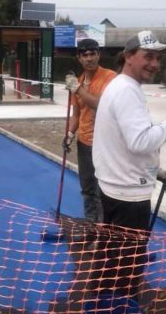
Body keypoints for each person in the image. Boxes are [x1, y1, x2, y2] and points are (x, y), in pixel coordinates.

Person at [91, 30, 166, 297]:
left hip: (116, 186)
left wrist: (154, 171)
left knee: (110, 261)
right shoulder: (126, 90)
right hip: (128, 198)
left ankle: (100, 297)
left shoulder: (119, 85)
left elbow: (124, 143)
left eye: (158, 58)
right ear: (128, 56)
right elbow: (140, 142)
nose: (155, 64)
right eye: (148, 56)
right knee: (126, 270)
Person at [63, 38, 116, 222]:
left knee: (103, 190)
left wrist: (77, 89)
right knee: (87, 188)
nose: (89, 58)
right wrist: (69, 135)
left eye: (93, 53)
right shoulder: (77, 82)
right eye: (84, 55)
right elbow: (77, 114)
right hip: (84, 143)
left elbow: (100, 104)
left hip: (104, 145)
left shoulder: (110, 77)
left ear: (99, 55)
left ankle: (104, 230)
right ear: (79, 58)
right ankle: (91, 225)